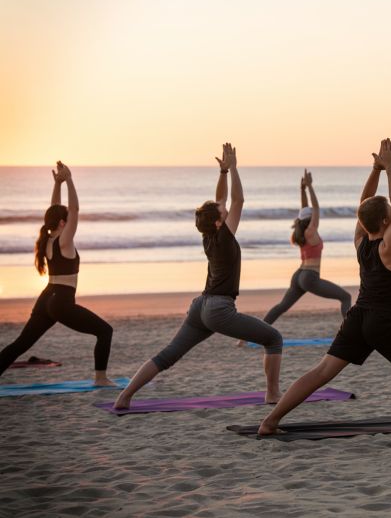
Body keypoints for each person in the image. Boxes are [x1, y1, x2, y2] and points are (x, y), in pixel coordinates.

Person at [257, 138, 391, 435]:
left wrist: (375, 170)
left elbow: (367, 206)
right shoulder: (389, 246)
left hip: (358, 318)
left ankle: (270, 421)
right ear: (386, 220)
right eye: (389, 214)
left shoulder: (360, 241)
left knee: (321, 372)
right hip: (386, 322)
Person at [114, 143, 284, 409]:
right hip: (219, 309)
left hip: (200, 307)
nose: (225, 211)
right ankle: (272, 394)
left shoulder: (209, 236)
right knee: (274, 339)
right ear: (218, 222)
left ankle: (124, 397)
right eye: (222, 214)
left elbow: (221, 202)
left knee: (168, 355)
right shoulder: (225, 238)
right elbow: (238, 201)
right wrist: (236, 167)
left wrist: (224, 172)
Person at [0, 162, 115, 384]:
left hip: (46, 298)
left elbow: (56, 209)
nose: (70, 221)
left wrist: (57, 184)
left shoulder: (48, 240)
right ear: (63, 223)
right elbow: (74, 210)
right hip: (61, 301)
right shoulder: (64, 240)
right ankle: (100, 378)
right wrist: (70, 179)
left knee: (21, 344)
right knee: (105, 331)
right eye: (67, 219)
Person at [237, 170, 351, 346]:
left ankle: (246, 338)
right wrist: (311, 186)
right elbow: (316, 209)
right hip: (310, 277)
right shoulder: (311, 231)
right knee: (345, 297)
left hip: (299, 276)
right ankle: (350, 335)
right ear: (311, 219)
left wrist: (302, 189)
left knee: (281, 307)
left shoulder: (301, 232)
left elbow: (304, 210)